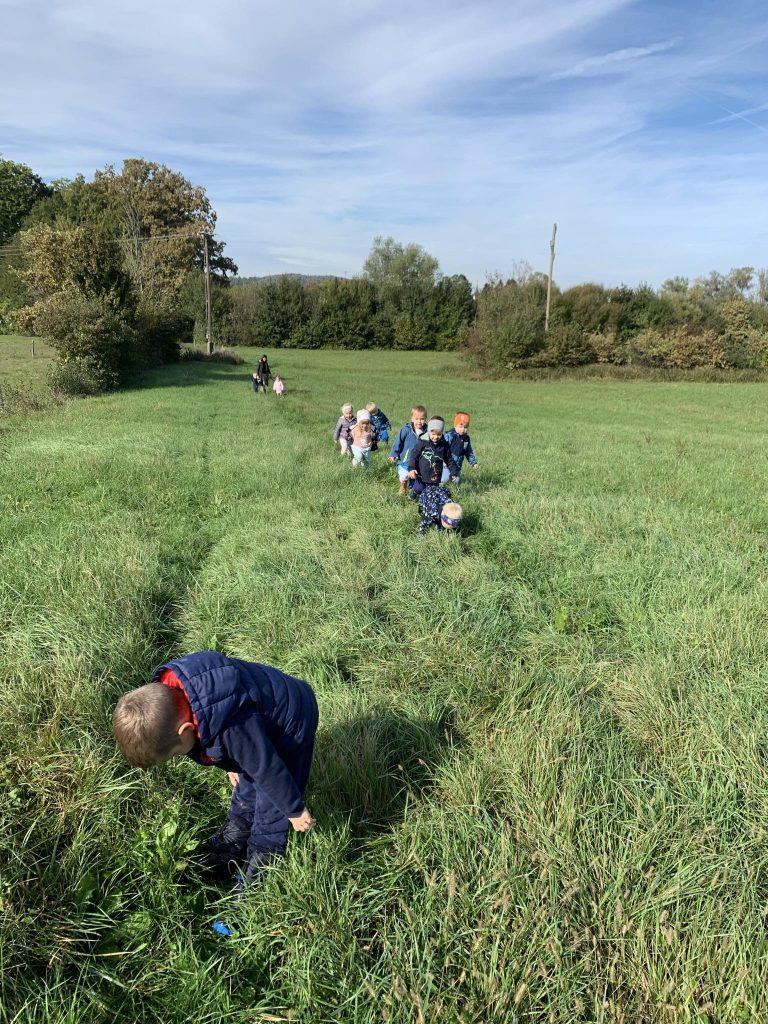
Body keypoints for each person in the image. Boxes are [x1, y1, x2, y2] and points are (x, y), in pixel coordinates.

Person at [112, 651, 318, 882]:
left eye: (176, 754)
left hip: (291, 724)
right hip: (255, 730)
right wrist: (232, 762)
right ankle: (236, 839)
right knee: (247, 784)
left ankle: (262, 867)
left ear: (186, 729)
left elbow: (267, 767)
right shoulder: (177, 698)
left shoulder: (233, 728)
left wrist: (293, 809)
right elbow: (221, 741)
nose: (180, 756)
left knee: (271, 805)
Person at [408, 418, 459, 496]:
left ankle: (428, 504)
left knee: (432, 493)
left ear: (442, 433)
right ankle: (412, 494)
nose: (436, 437)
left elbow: (449, 459)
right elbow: (414, 455)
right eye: (433, 434)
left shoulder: (444, 445)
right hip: (421, 473)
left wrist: (453, 472)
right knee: (419, 489)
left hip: (435, 475)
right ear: (428, 432)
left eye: (439, 434)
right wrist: (412, 468)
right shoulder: (423, 442)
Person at [389, 405, 428, 497]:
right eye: (416, 418)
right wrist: (394, 453)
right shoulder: (407, 430)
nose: (419, 421)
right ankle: (403, 486)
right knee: (404, 476)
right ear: (412, 418)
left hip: (418, 462)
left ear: (426, 419)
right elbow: (398, 441)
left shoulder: (427, 432)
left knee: (414, 476)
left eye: (422, 419)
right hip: (405, 460)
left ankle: (412, 489)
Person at [441, 412, 479, 484]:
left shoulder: (466, 439)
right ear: (455, 425)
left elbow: (469, 452)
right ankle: (439, 490)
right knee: (444, 479)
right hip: (447, 464)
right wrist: (443, 459)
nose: (463, 429)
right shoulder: (449, 436)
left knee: (456, 481)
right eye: (460, 427)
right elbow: (442, 448)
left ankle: (454, 494)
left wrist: (473, 463)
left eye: (465, 427)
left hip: (457, 465)